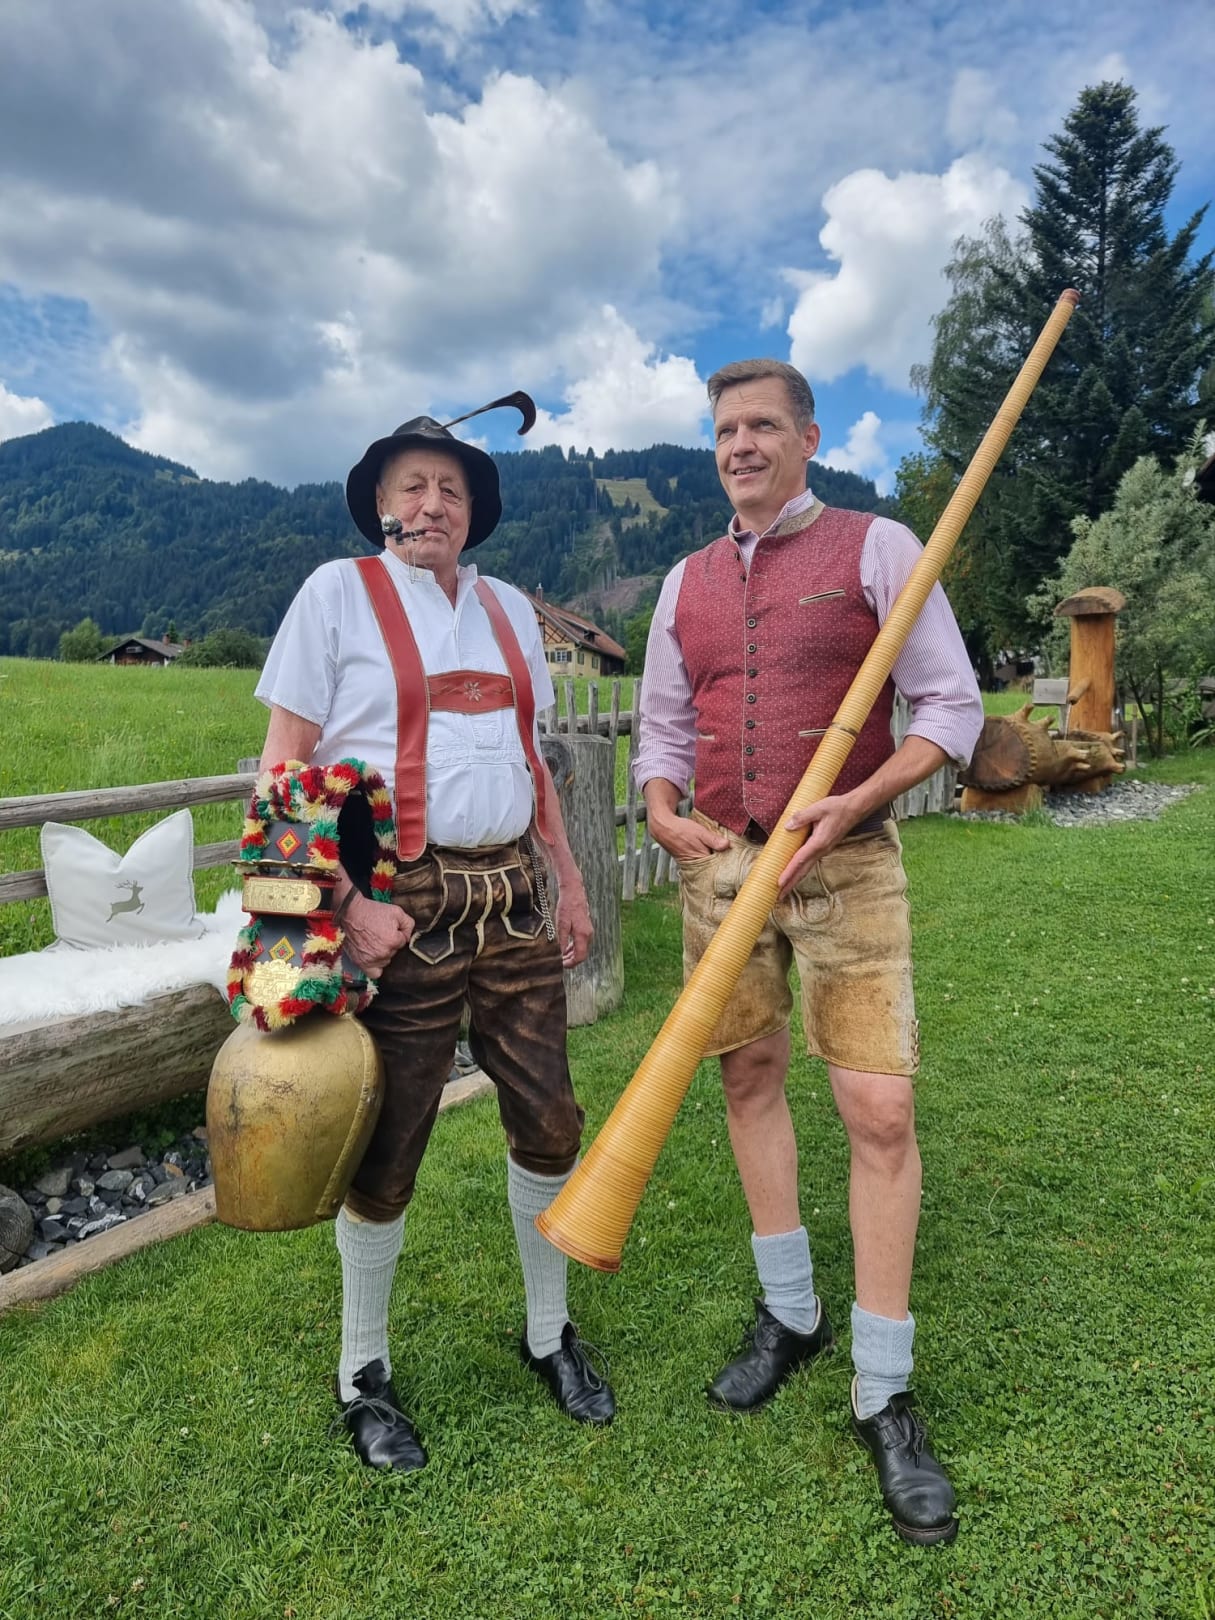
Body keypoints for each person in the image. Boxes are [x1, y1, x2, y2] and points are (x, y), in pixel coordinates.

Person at [636, 359, 983, 1546]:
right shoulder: (681, 582)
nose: (740, 445)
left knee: (878, 1110)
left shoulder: (880, 548)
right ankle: (792, 1314)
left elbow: (950, 709)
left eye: (762, 426)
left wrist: (857, 797)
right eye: (724, 429)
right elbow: (663, 726)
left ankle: (885, 1390)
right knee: (747, 1076)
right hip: (723, 864)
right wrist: (660, 804)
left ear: (809, 438)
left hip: (849, 864)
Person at [254, 403, 615, 1473]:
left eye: (451, 488)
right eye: (411, 484)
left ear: (473, 511)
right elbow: (282, 769)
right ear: (379, 503)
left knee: (550, 1122)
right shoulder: (335, 593)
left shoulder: (510, 613)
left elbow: (534, 763)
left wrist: (570, 881)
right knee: (388, 1144)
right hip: (396, 906)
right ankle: (362, 1373)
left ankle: (547, 1332)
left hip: (513, 896)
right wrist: (343, 905)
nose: (432, 503)